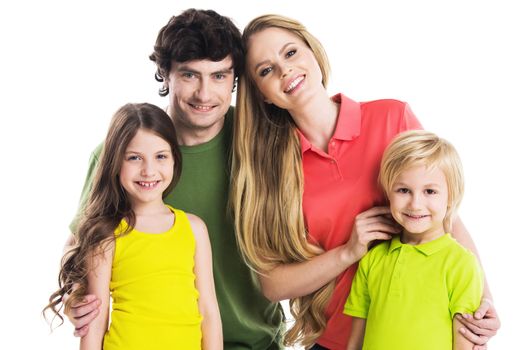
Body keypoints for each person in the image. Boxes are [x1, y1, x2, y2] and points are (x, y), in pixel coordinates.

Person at [231, 14, 499, 350]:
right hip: (335, 341)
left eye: (290, 53)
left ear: (313, 52)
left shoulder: (392, 117)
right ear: (263, 94)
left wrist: (482, 303)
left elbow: (447, 218)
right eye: (266, 70)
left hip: (424, 334)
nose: (285, 70)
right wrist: (347, 253)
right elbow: (272, 285)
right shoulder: (270, 170)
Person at [61, 9, 283, 350]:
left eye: (220, 76)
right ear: (165, 75)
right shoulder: (119, 155)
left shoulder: (260, 140)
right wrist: (78, 296)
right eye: (190, 75)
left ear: (235, 79)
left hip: (256, 341)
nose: (205, 94)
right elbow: (81, 244)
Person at [44, 103, 222, 349]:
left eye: (160, 156)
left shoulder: (194, 229)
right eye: (134, 158)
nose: (149, 171)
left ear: (174, 159)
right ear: (116, 163)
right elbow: (96, 320)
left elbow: (209, 311)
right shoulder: (106, 235)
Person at [344, 130, 483, 350]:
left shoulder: (461, 263)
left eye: (430, 191)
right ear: (388, 193)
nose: (415, 204)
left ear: (451, 197)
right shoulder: (372, 259)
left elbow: (465, 342)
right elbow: (355, 342)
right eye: (403, 190)